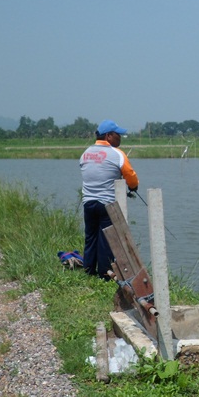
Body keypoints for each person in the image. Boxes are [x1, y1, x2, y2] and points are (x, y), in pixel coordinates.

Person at [79, 119, 139, 279]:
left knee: (91, 237)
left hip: (89, 203)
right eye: (118, 135)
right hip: (107, 204)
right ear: (109, 136)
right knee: (107, 239)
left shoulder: (86, 153)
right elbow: (131, 176)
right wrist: (133, 187)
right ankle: (105, 275)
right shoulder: (117, 154)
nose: (120, 138)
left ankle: (88, 272)